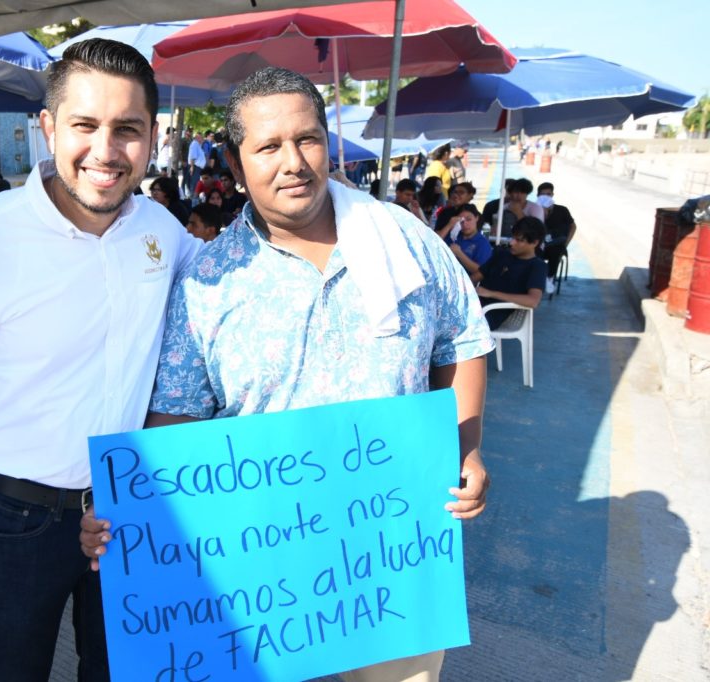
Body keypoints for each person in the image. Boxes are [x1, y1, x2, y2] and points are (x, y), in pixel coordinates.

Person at [81, 66, 492, 682]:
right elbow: (176, 418)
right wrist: (132, 513)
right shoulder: (207, 283)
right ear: (235, 161)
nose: (293, 163)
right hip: (265, 589)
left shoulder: (405, 241)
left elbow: (462, 338)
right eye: (268, 146)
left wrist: (468, 447)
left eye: (307, 140)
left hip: (392, 573)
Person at [0, 38, 201, 682]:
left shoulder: (162, 231)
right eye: (85, 125)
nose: (106, 151)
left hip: (127, 511)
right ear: (48, 127)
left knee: (123, 671)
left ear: (153, 137)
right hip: (18, 519)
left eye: (128, 130)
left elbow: (233, 294)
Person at [475, 216, 546, 329]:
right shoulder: (501, 254)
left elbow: (533, 301)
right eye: (512, 237)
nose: (512, 243)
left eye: (519, 240)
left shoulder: (537, 266)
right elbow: (475, 277)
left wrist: (491, 293)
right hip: (474, 305)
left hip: (488, 315)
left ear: (534, 243)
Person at [536, 181, 576, 292]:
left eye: (548, 194)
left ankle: (549, 277)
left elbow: (573, 226)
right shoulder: (534, 209)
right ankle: (536, 277)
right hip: (538, 243)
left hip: (555, 244)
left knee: (556, 251)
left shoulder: (562, 210)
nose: (546, 197)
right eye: (543, 194)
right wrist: (543, 213)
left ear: (552, 195)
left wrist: (566, 243)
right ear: (538, 196)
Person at [437, 204, 493, 276]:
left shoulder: (482, 243)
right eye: (461, 221)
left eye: (469, 219)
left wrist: (459, 254)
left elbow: (480, 271)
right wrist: (449, 225)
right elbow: (434, 244)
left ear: (476, 218)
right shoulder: (454, 235)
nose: (465, 224)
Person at [185, 128, 206, 199]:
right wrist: (192, 167)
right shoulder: (194, 144)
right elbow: (192, 157)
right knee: (194, 184)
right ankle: (193, 198)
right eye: (201, 137)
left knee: (196, 183)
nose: (202, 139)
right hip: (195, 167)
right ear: (197, 138)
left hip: (198, 167)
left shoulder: (198, 145)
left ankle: (195, 197)